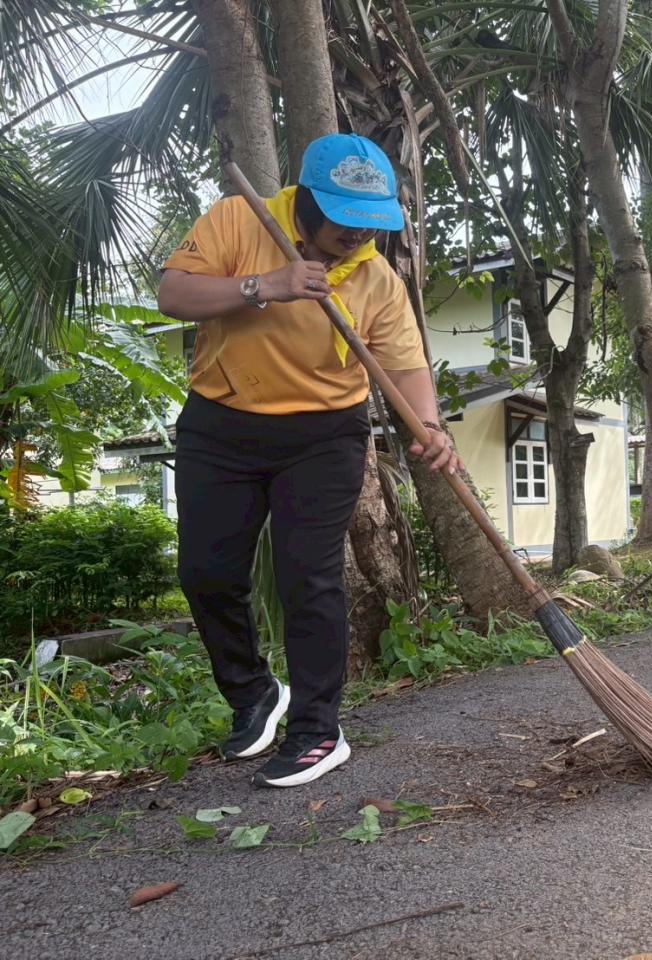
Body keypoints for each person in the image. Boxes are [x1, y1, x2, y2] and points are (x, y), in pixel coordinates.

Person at [156, 134, 458, 788]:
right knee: (206, 573)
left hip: (323, 437)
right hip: (221, 424)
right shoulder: (240, 218)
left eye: (370, 222)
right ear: (309, 201)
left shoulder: (377, 278)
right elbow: (174, 295)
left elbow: (406, 365)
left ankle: (319, 731)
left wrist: (429, 425)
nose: (358, 235)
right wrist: (269, 285)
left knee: (307, 576)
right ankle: (254, 694)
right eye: (346, 219)